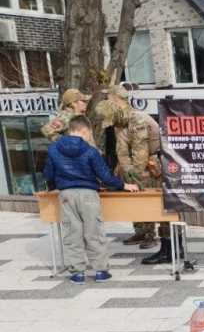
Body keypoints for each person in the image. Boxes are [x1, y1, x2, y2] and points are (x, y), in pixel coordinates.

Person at [43, 116, 139, 284]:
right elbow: (105, 177)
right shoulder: (90, 151)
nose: (90, 137)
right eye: (89, 133)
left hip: (66, 195)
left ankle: (77, 273)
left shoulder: (53, 149)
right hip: (88, 195)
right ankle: (100, 271)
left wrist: (54, 186)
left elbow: (48, 174)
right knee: (94, 233)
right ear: (84, 131)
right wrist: (123, 185)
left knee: (72, 233)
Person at [96, 85, 168, 262]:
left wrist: (133, 174)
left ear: (117, 99)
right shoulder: (120, 119)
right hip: (129, 166)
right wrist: (122, 169)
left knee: (149, 201)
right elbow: (121, 149)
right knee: (135, 199)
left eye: (109, 98)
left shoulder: (137, 119)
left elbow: (140, 154)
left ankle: (152, 235)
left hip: (147, 167)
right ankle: (141, 232)